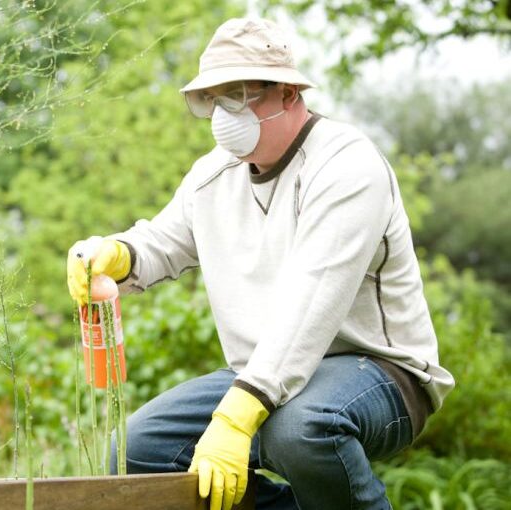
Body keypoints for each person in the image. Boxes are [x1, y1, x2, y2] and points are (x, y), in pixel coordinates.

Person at [65, 17, 454, 510]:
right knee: (135, 453)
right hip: (263, 374)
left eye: (240, 94)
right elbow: (163, 240)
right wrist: (116, 254)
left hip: (380, 370)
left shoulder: (346, 165)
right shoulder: (213, 174)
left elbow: (313, 305)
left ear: (289, 92)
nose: (224, 113)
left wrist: (234, 419)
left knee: (300, 429)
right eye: (213, 98)